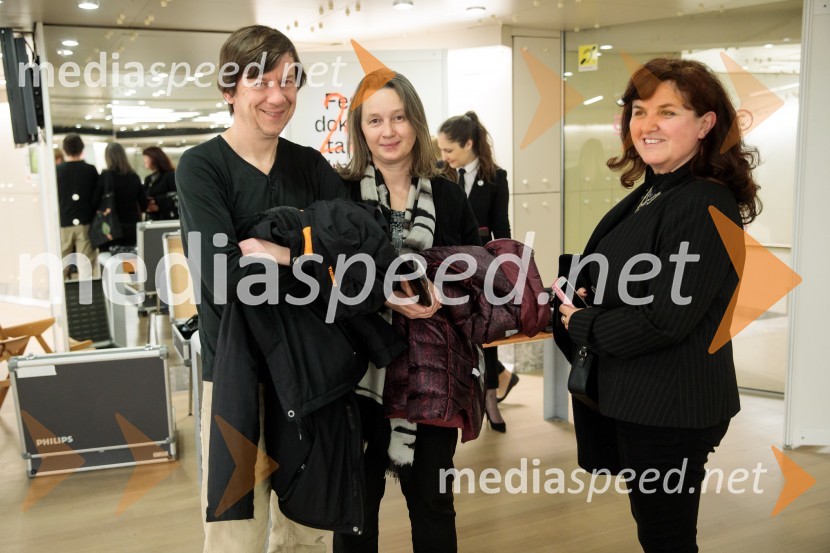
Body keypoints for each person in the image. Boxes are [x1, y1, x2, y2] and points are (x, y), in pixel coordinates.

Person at [557, 58, 761, 552]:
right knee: (658, 532)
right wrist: (591, 290)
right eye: (639, 110)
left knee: (666, 537)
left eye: (667, 112)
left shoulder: (703, 202)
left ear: (706, 123)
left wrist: (583, 322)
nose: (647, 124)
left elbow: (665, 319)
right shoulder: (657, 190)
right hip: (646, 398)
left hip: (672, 405)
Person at [176, 25, 345, 553]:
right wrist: (313, 266)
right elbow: (224, 276)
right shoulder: (203, 168)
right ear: (229, 89)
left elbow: (356, 267)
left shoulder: (311, 167)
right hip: (236, 377)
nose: (278, 95)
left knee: (308, 532)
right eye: (261, 80)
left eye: (289, 80)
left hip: (311, 373)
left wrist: (278, 255)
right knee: (235, 533)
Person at [333, 71, 481, 553]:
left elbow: (472, 274)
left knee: (434, 504)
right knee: (355, 510)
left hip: (431, 375)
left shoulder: (449, 193)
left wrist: (442, 291)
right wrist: (380, 294)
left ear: (415, 122)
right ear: (360, 128)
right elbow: (321, 281)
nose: (388, 130)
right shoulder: (339, 194)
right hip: (357, 377)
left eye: (398, 117)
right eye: (374, 120)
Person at [437, 111, 514, 431]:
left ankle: (492, 399)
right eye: (440, 151)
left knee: (487, 331)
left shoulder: (495, 177)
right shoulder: (440, 174)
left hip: (482, 261)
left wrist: (508, 269)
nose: (444, 157)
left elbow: (501, 227)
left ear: (468, 144)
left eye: (449, 150)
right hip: (448, 263)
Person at [92, 142, 148, 251]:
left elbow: (95, 202)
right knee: (131, 262)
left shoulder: (105, 177)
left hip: (111, 227)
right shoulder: (134, 176)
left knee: (111, 263)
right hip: (132, 226)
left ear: (107, 157)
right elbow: (143, 204)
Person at [56, 134, 98, 278]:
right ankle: (87, 298)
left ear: (64, 149)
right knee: (86, 266)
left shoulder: (57, 171)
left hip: (63, 223)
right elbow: (96, 197)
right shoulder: (90, 170)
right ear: (82, 149)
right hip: (85, 223)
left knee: (61, 265)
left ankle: (60, 298)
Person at [142, 146, 178, 220]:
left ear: (154, 158)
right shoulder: (148, 179)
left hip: (167, 219)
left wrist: (158, 203)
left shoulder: (170, 175)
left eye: (146, 158)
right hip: (151, 219)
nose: (144, 160)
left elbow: (176, 196)